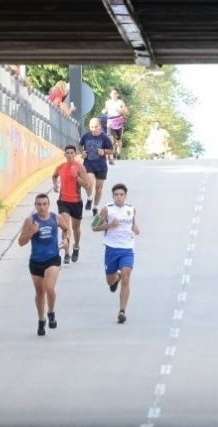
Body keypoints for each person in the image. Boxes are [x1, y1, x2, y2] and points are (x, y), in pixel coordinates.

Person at [18, 193, 71, 336]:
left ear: (49, 205)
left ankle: (51, 312)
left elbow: (66, 229)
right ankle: (41, 320)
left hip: (53, 258)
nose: (42, 207)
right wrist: (31, 232)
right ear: (35, 206)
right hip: (36, 261)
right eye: (39, 204)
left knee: (49, 287)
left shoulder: (55, 218)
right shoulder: (30, 220)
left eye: (44, 204)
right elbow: (21, 242)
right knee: (40, 293)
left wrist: (66, 241)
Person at [91, 183, 140, 324]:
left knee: (126, 277)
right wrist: (108, 225)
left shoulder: (131, 209)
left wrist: (136, 229)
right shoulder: (107, 210)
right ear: (113, 196)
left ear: (125, 196)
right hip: (111, 249)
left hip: (127, 249)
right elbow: (94, 226)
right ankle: (115, 278)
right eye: (116, 195)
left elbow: (133, 225)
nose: (119, 197)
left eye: (121, 195)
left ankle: (122, 311)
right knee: (110, 280)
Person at [52, 145, 90, 264]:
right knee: (65, 227)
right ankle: (67, 253)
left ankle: (76, 246)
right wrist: (55, 185)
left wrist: (76, 177)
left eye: (71, 153)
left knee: (76, 228)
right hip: (63, 201)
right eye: (67, 153)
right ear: (64, 155)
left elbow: (87, 185)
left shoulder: (80, 167)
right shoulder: (61, 167)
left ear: (75, 154)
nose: (69, 155)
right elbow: (54, 176)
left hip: (76, 202)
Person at [79, 118, 114, 218]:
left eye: (95, 126)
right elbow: (80, 145)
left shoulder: (104, 138)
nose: (93, 129)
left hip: (101, 166)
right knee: (89, 184)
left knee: (98, 189)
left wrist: (104, 151)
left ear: (100, 126)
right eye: (91, 127)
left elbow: (112, 150)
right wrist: (82, 152)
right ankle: (89, 199)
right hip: (88, 164)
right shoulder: (86, 136)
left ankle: (95, 207)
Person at [105, 87, 129, 161]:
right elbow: (106, 109)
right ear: (110, 94)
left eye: (115, 93)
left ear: (117, 94)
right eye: (112, 93)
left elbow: (127, 112)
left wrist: (121, 111)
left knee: (118, 141)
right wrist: (104, 110)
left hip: (118, 123)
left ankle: (118, 153)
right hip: (110, 123)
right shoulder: (107, 102)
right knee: (111, 140)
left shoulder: (120, 102)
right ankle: (111, 156)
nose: (113, 95)